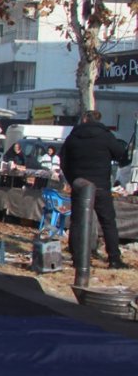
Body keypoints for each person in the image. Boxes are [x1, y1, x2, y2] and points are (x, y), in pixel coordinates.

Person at [61, 110, 129, 269]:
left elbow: (63, 160)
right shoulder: (106, 136)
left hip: (80, 185)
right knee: (108, 222)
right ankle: (114, 259)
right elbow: (122, 155)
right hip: (101, 185)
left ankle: (77, 259)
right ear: (99, 120)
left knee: (77, 222)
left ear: (84, 119)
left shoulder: (73, 136)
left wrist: (73, 180)